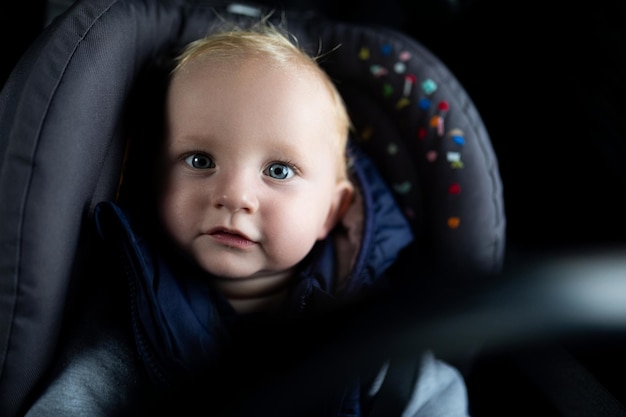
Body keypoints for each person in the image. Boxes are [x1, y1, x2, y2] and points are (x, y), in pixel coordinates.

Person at [25, 20, 470, 417]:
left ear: (331, 213)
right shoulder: (131, 328)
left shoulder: (371, 329)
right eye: (199, 160)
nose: (235, 196)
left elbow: (437, 396)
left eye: (278, 170)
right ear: (153, 178)